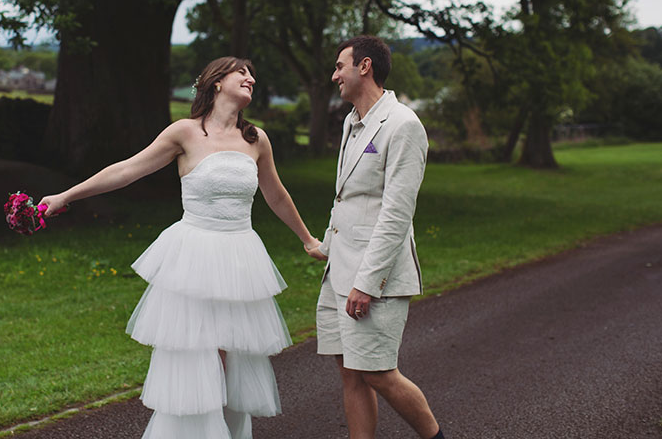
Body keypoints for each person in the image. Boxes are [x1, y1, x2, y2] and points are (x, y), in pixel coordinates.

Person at [39, 56, 323, 439]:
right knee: (198, 356)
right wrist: (66, 196)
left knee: (234, 357)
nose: (251, 79)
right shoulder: (185, 133)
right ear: (216, 82)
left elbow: (276, 195)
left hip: (241, 257)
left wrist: (307, 239)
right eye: (242, 72)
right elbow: (126, 170)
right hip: (195, 256)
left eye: (253, 74)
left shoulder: (256, 139)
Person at [310, 36, 445, 439]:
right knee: (351, 375)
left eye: (339, 66)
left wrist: (366, 283)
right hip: (339, 268)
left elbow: (396, 213)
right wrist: (327, 246)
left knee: (379, 373)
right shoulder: (352, 122)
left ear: (364, 67)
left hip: (374, 277)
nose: (334, 75)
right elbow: (349, 196)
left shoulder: (403, 125)